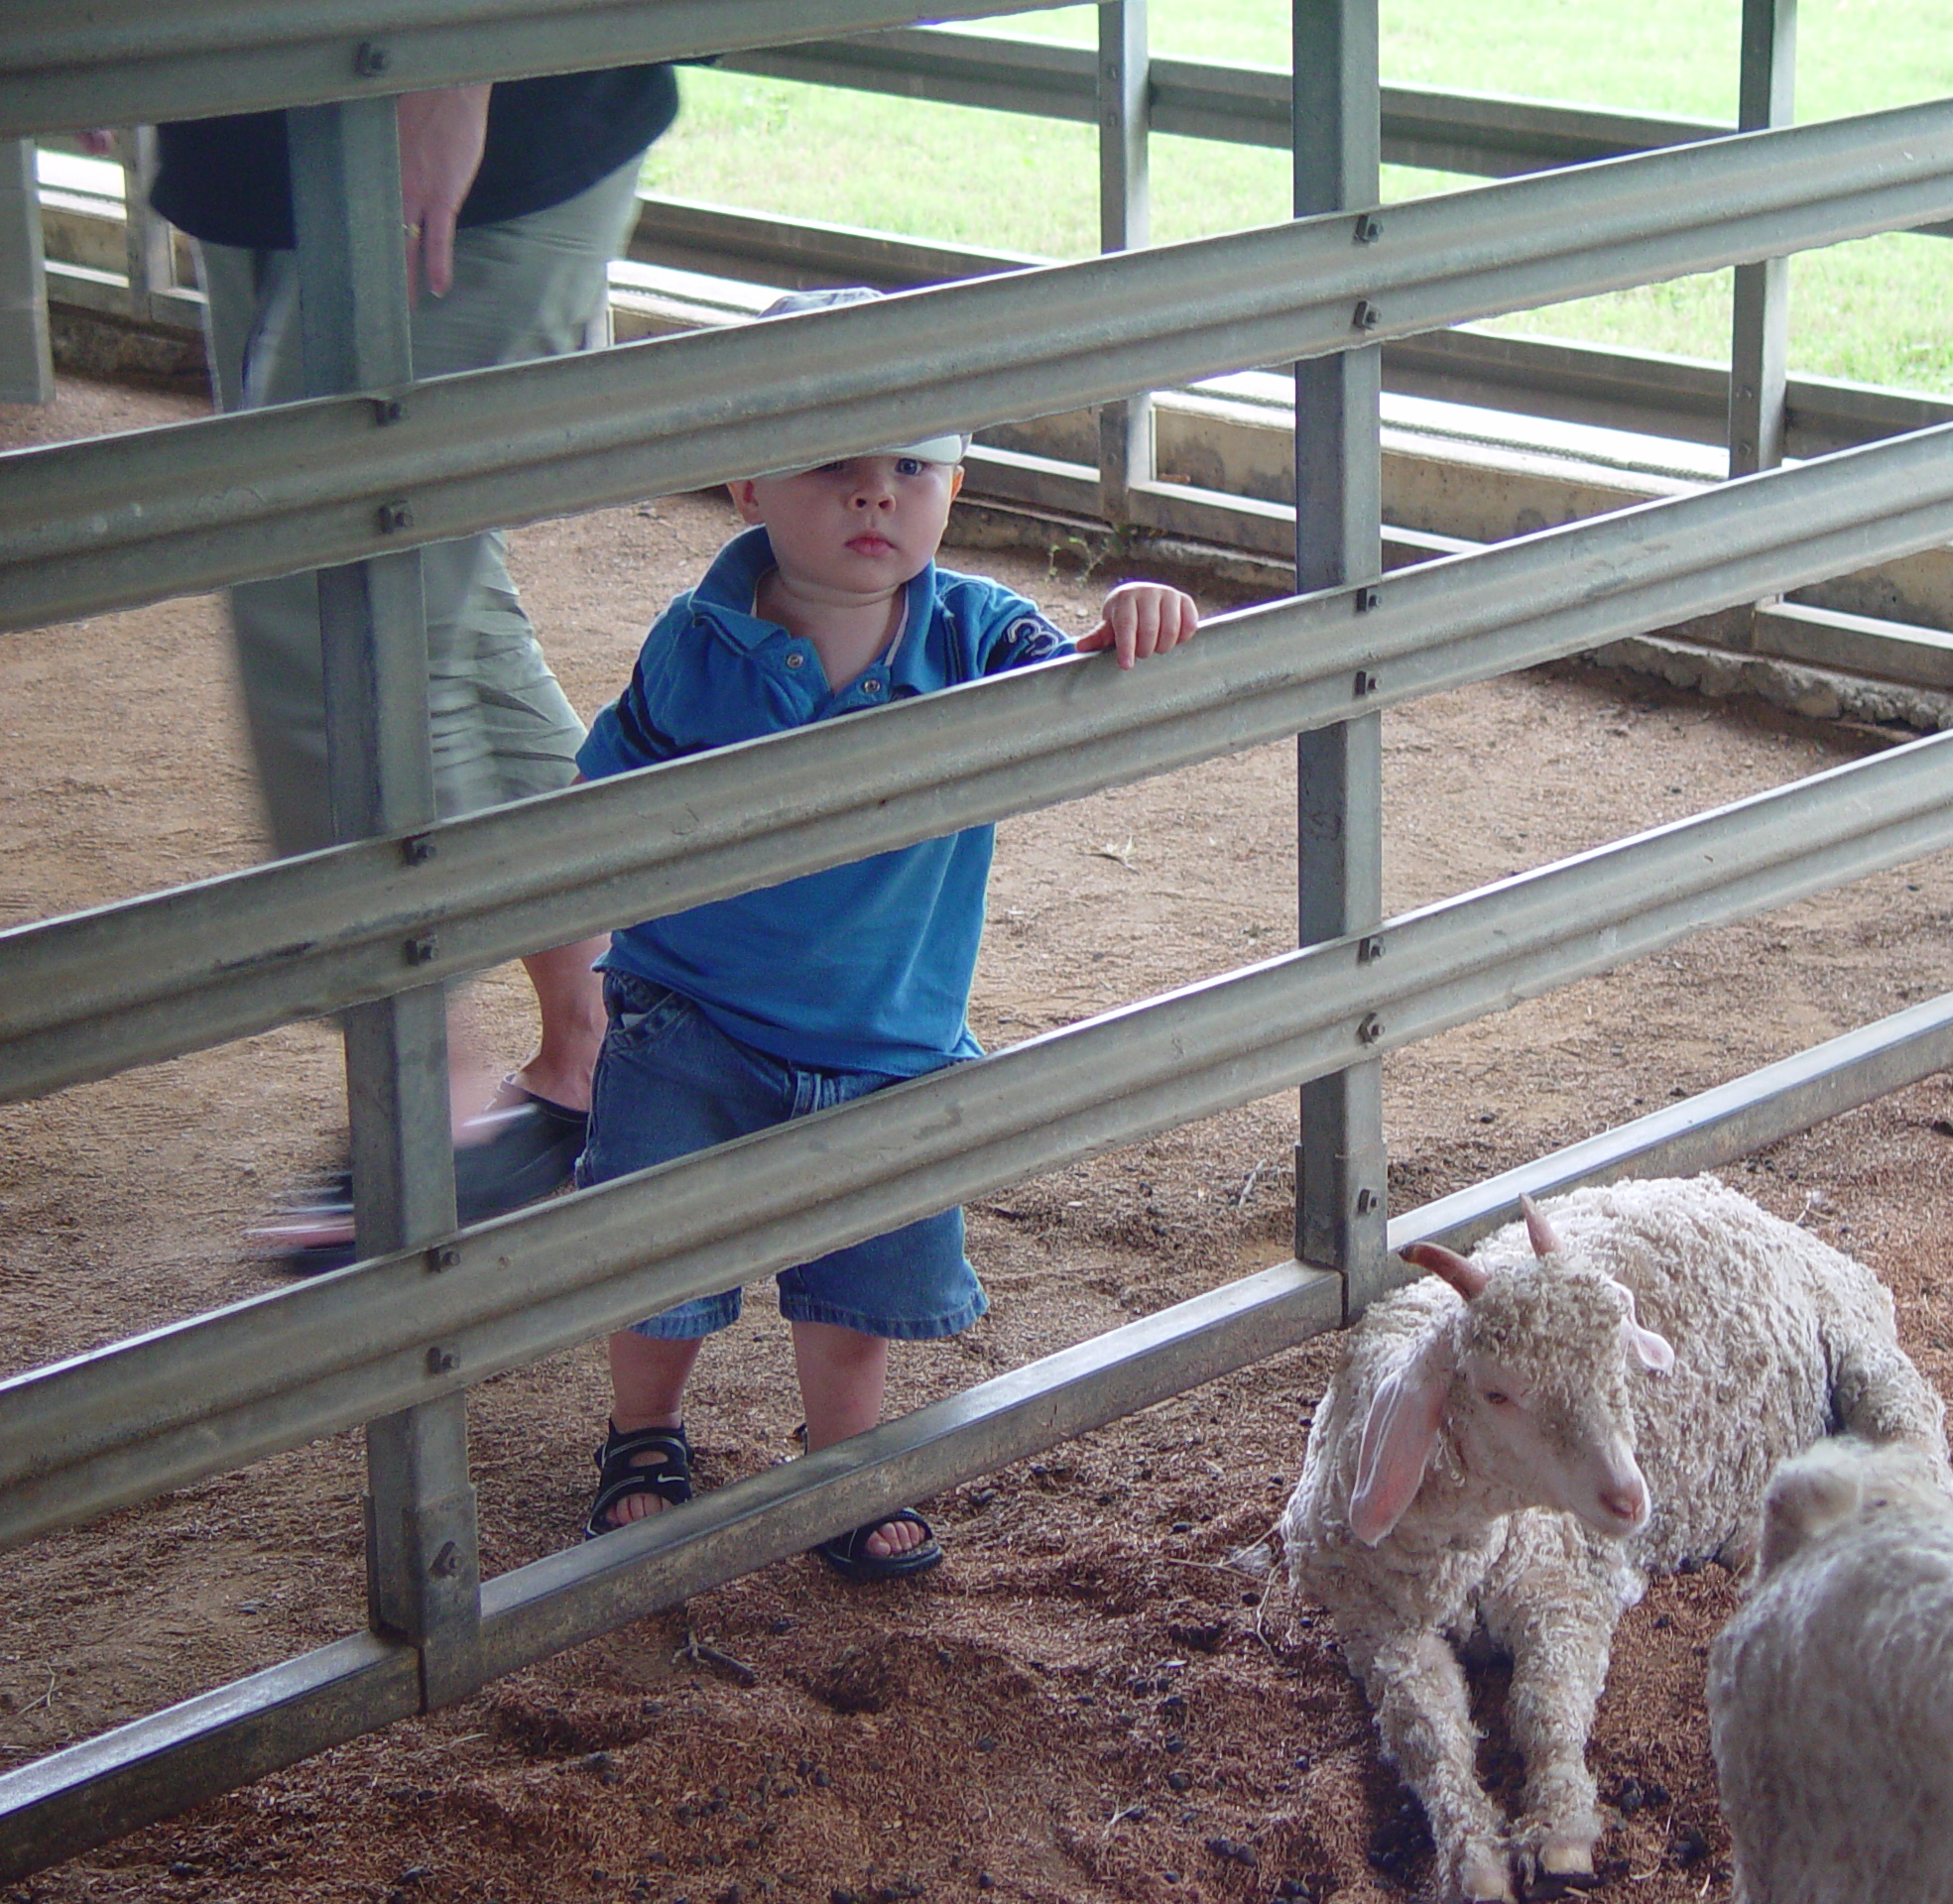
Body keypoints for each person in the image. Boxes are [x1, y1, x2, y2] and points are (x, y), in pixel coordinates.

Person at [576, 288, 1203, 1579]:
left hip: (888, 1040)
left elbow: (1067, 683)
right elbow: (602, 798)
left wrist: (1132, 614)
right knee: (657, 1260)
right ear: (749, 481)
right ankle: (643, 1431)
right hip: (689, 1020)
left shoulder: (977, 635)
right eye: (834, 466)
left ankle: (844, 1463)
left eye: (910, 467)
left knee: (859, 1289)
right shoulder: (697, 645)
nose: (876, 497)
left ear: (954, 488)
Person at [146, 68, 679, 1264]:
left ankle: (439, 1094)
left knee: (324, 578)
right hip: (253, 129)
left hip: (474, 113)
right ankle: (602, 1044)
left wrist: (453, 58)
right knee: (432, 578)